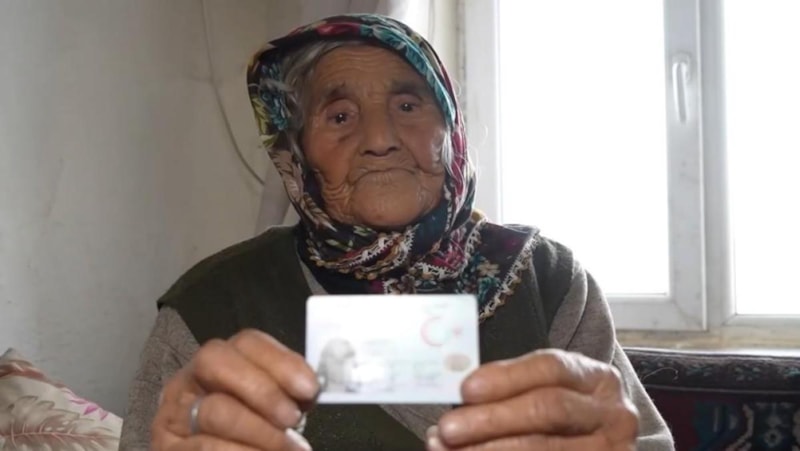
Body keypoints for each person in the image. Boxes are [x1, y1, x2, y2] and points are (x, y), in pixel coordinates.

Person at [120, 14, 674, 451]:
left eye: (408, 105)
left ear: (451, 130)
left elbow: (642, 441)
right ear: (296, 151)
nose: (380, 138)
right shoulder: (212, 306)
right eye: (340, 116)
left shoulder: (547, 281)